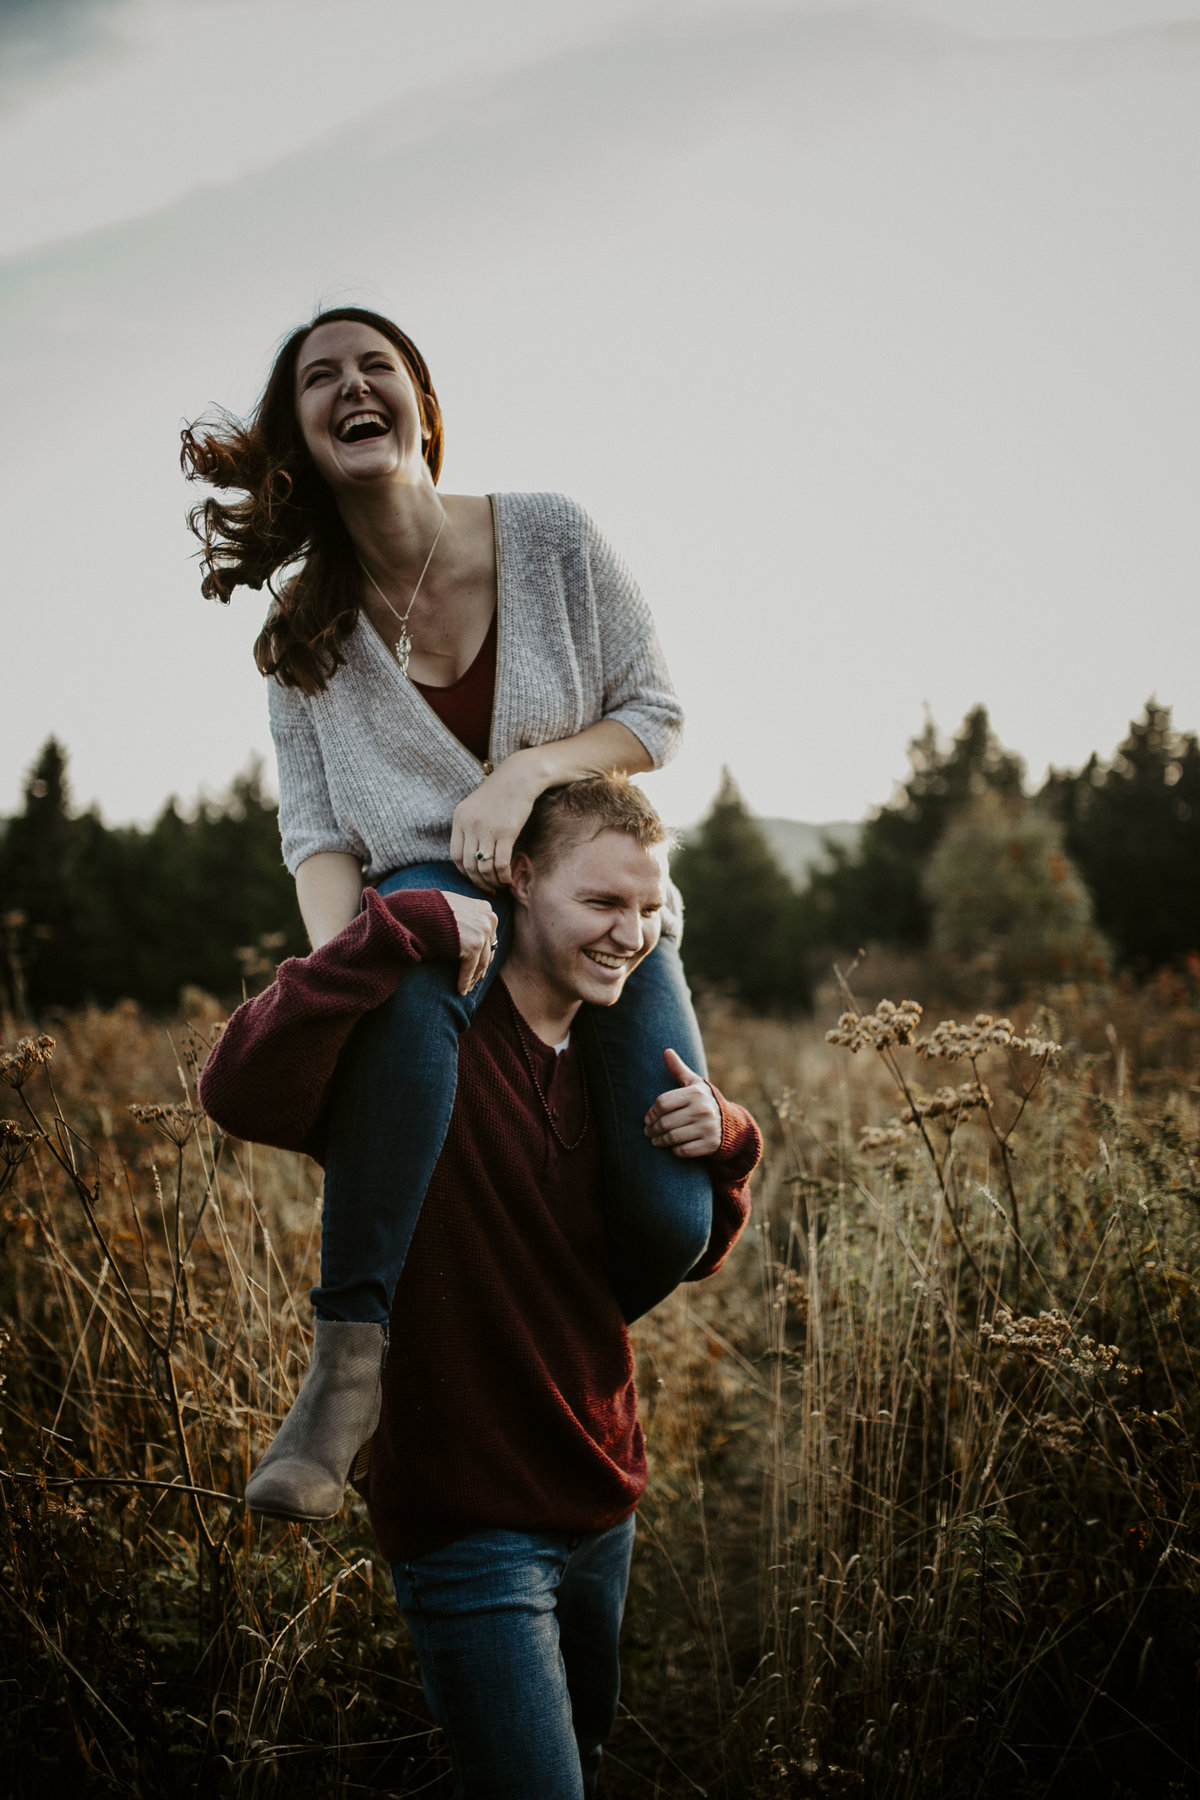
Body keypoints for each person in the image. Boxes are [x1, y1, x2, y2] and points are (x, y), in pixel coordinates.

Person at [182, 306, 714, 1520]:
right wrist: (350, 975)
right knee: (418, 950)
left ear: (424, 402)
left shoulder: (551, 537)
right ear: (301, 436)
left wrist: (524, 775)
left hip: (588, 887)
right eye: (322, 378)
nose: (354, 386)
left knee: (672, 1213)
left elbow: (657, 714)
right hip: (425, 906)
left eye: (378, 366)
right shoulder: (299, 638)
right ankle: (346, 1371)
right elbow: (318, 835)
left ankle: (529, 1349)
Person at [198, 775, 761, 1799]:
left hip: (603, 1494)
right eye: (601, 904)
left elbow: (677, 1252)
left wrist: (724, 1150)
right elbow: (235, 1088)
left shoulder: (620, 1062)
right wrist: (380, 938)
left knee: (582, 1765)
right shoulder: (414, 1055)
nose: (630, 934)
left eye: (649, 908)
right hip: (466, 1520)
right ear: (521, 878)